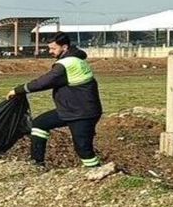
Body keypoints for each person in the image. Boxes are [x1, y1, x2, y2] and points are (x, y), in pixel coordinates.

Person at [7, 32, 102, 169]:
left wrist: (18, 90)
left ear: (64, 47)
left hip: (81, 113)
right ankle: (37, 164)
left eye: (53, 48)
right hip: (71, 109)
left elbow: (44, 82)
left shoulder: (66, 64)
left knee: (83, 149)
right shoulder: (76, 59)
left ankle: (100, 174)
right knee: (39, 124)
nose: (50, 51)